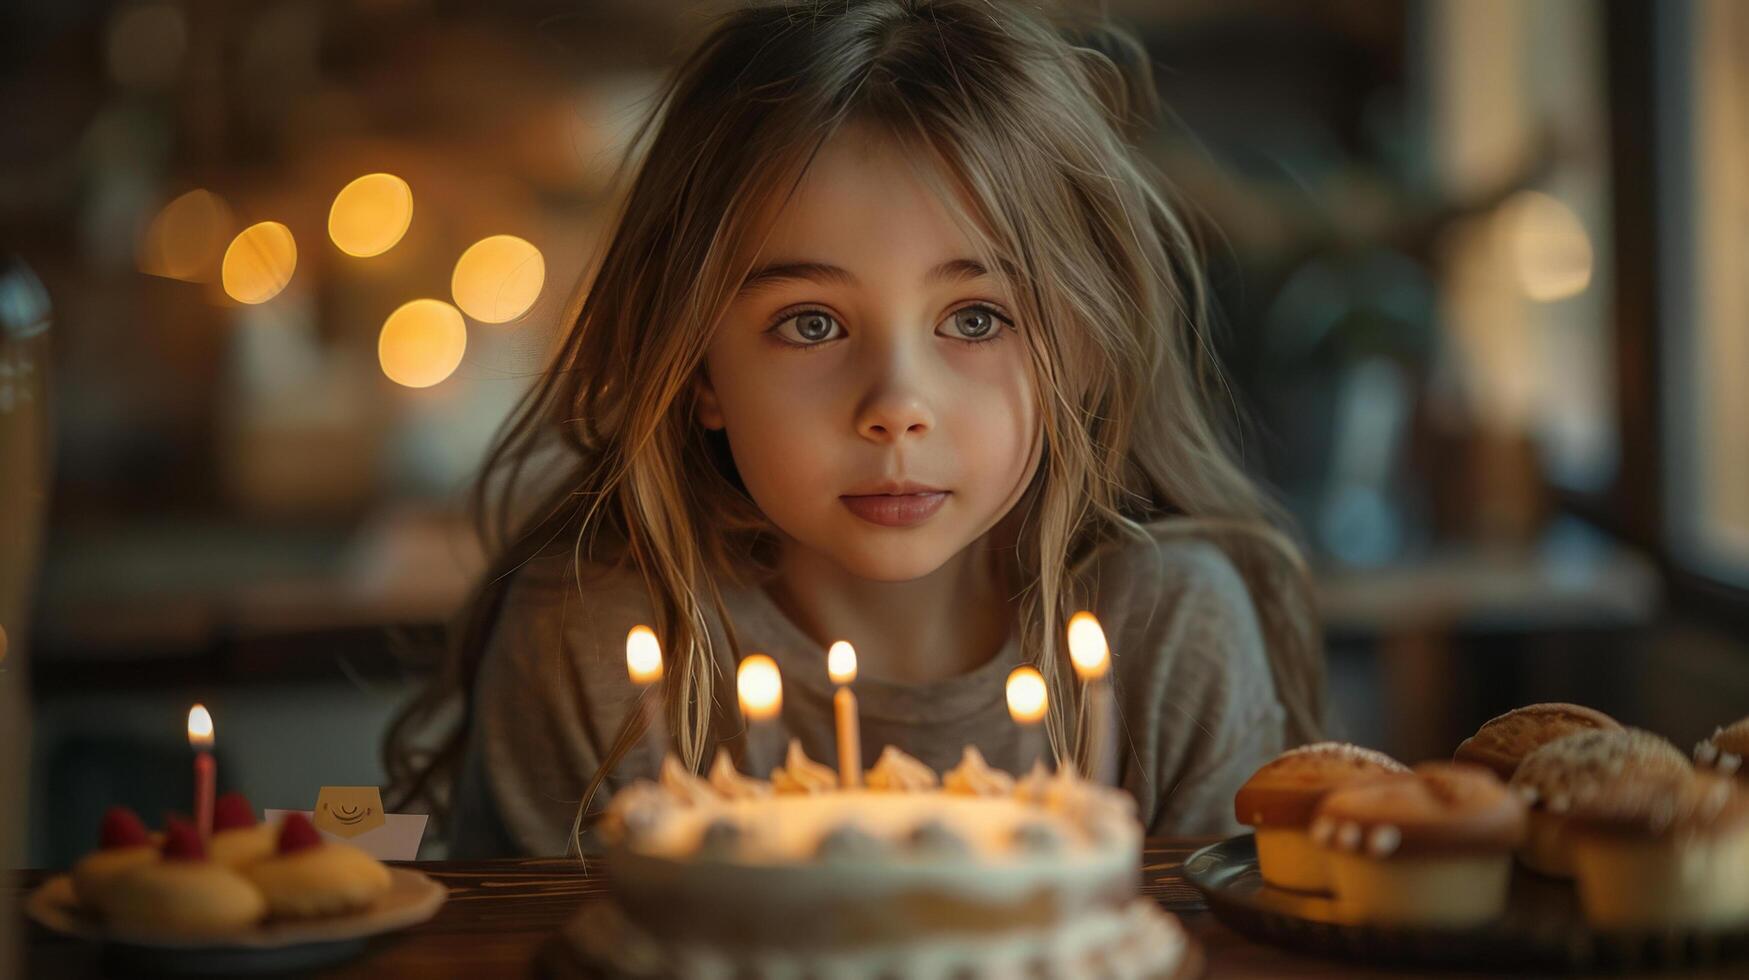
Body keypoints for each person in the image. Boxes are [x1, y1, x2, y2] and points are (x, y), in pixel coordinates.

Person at [385, 0, 1325, 858]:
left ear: (1078, 350)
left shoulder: (1170, 635)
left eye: (975, 318)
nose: (894, 407)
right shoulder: (597, 645)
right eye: (811, 323)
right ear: (698, 367)